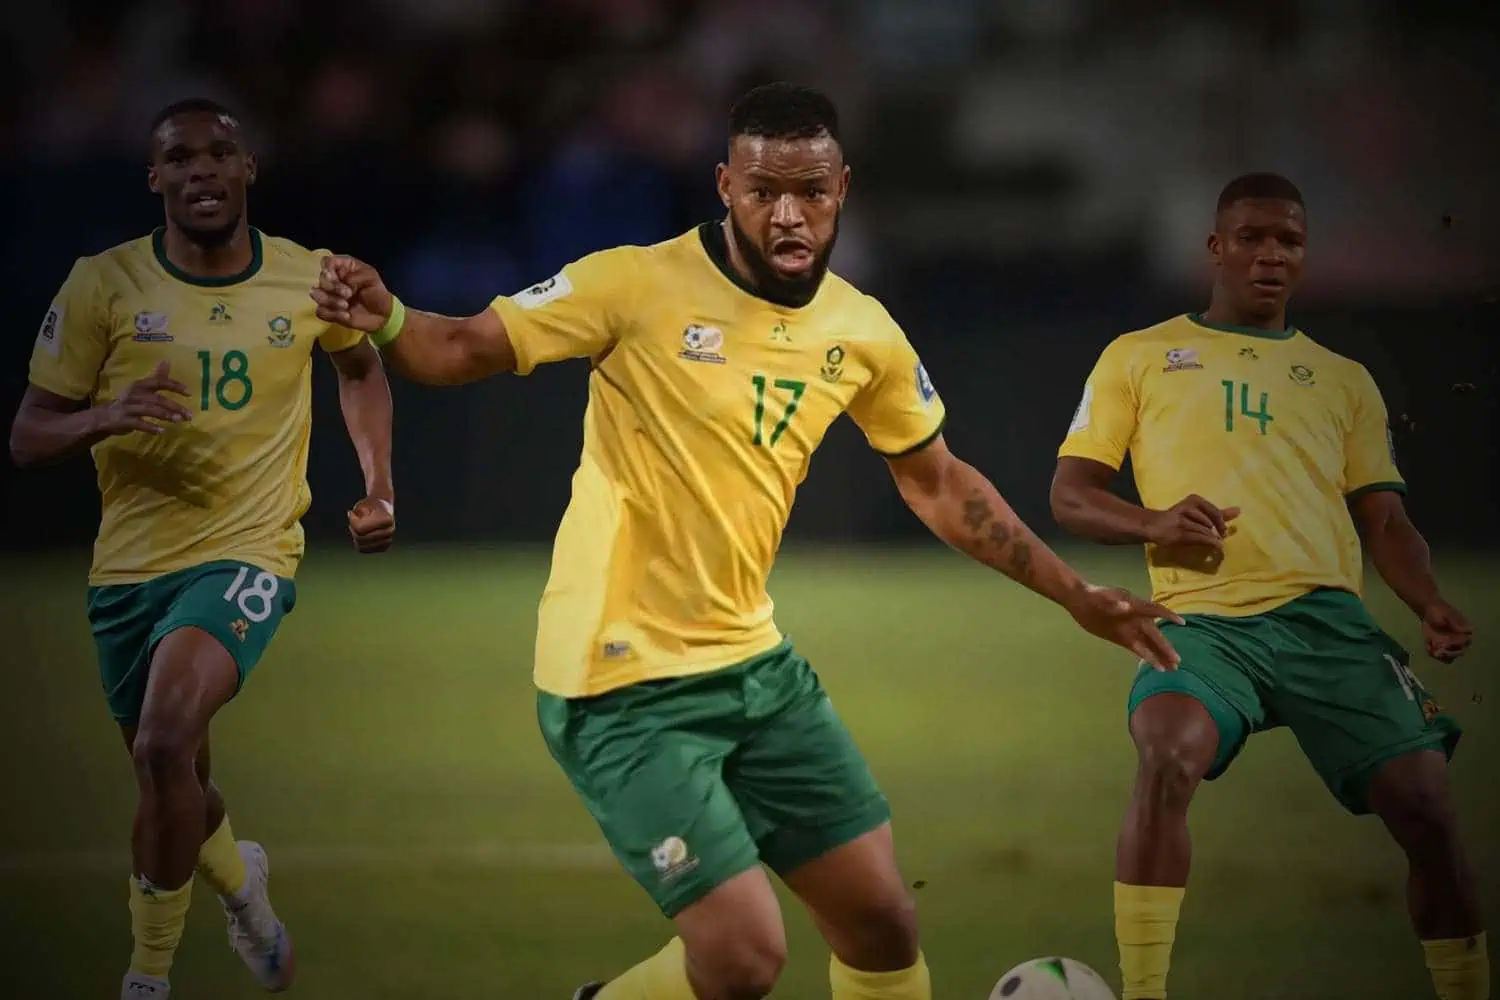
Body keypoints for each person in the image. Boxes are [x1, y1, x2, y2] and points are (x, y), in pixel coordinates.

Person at [311, 82, 1178, 1000]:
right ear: (726, 186)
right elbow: (456, 348)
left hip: (752, 666)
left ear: (843, 188)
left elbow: (938, 483)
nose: (789, 214)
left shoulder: (861, 329)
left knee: (882, 925)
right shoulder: (632, 284)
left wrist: (1074, 593)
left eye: (811, 191)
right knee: (744, 957)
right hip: (620, 682)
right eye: (764, 191)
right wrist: (390, 316)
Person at [1051, 172, 1487, 1000]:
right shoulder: (1137, 357)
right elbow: (1070, 496)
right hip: (1203, 625)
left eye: (1288, 240)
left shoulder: (1344, 379)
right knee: (1167, 754)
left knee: (1429, 807)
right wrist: (1154, 522)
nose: (1270, 255)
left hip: (1329, 626)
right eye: (1251, 237)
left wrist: (1428, 600)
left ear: (1304, 255)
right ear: (1216, 248)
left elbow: (1386, 521)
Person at [11, 98, 397, 1000]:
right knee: (175, 777)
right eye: (180, 157)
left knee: (162, 742)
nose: (202, 171)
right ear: (156, 178)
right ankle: (243, 890)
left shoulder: (308, 276)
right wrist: (105, 415)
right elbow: (28, 436)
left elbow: (361, 365)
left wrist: (378, 484)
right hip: (129, 566)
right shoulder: (103, 284)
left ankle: (146, 977)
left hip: (249, 550)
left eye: (219, 153)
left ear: (248, 168)